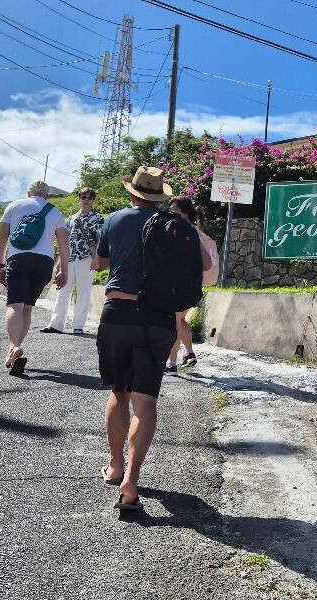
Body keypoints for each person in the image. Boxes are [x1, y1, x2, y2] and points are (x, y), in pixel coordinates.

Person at [92, 166, 191, 513]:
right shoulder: (172, 226)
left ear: (132, 193)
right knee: (145, 403)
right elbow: (205, 268)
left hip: (117, 313)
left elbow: (100, 263)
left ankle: (115, 465)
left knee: (118, 391)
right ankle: (131, 481)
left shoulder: (114, 219)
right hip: (158, 318)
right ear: (159, 197)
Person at [0, 181, 68, 376]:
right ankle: (14, 350)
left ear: (29, 193)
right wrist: (63, 271)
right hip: (44, 262)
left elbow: (2, 238)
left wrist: (0, 265)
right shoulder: (55, 212)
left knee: (14, 306)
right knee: (27, 307)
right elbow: (63, 245)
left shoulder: (14, 205)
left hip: (18, 258)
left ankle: (14, 346)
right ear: (47, 196)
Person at [41, 187, 104, 335]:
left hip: (86, 259)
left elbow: (101, 240)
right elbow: (65, 241)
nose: (86, 200)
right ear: (79, 198)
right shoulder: (71, 219)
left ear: (93, 200)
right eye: (83, 197)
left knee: (84, 292)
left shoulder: (98, 218)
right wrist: (59, 262)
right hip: (69, 258)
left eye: (89, 197)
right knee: (63, 291)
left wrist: (97, 259)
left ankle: (78, 325)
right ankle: (56, 324)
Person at [165, 196, 217, 372]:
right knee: (179, 320)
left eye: (174, 210)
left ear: (184, 213)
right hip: (191, 284)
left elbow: (203, 262)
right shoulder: (192, 230)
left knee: (175, 322)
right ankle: (188, 353)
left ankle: (172, 363)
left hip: (182, 284)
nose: (170, 213)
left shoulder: (186, 232)